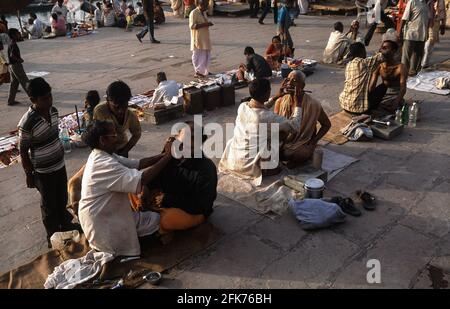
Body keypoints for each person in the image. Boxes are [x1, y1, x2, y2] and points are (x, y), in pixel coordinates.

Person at [78, 120, 172, 257]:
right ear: (103, 140)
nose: (119, 138)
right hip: (103, 223)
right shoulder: (104, 164)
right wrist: (169, 156)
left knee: (151, 218)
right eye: (114, 135)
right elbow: (142, 179)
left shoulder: (104, 154)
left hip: (108, 214)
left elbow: (138, 164)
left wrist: (163, 154)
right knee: (156, 220)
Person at [18, 78, 78, 248]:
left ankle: (66, 225)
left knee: (61, 198)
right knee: (49, 204)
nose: (49, 101)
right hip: (43, 171)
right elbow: (23, 150)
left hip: (59, 165)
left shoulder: (54, 111)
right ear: (33, 100)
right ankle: (52, 235)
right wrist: (29, 174)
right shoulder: (27, 123)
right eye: (44, 99)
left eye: (50, 96)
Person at [135, 121, 217, 235]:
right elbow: (156, 175)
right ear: (174, 138)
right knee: (132, 186)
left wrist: (167, 199)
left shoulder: (206, 169)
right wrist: (146, 188)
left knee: (167, 220)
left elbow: (202, 206)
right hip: (162, 200)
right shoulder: (170, 154)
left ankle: (160, 226)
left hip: (187, 209)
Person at [219, 78, 302, 185]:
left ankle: (266, 164)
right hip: (249, 166)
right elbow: (295, 126)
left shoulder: (243, 106)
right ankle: (267, 168)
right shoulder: (267, 117)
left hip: (234, 160)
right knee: (282, 132)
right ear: (266, 93)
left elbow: (259, 107)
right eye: (269, 90)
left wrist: (276, 97)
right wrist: (298, 104)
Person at [273, 70, 331, 168]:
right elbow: (273, 125)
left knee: (299, 154)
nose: (289, 83)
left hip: (300, 142)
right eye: (287, 80)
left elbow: (326, 125)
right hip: (283, 140)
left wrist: (313, 142)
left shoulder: (313, 104)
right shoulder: (280, 100)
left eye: (294, 81)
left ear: (302, 86)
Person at [93, 80, 141, 157]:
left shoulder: (131, 115)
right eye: (116, 107)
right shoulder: (100, 111)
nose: (121, 111)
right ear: (107, 101)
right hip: (104, 152)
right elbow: (96, 135)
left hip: (122, 148)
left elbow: (137, 133)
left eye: (124, 106)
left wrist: (125, 150)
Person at [339, 42, 385, 114]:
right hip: (357, 108)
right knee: (383, 87)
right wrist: (382, 49)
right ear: (362, 52)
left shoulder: (349, 64)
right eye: (364, 51)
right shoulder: (363, 63)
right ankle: (371, 110)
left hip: (344, 103)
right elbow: (382, 56)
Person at [368, 40, 407, 113]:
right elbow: (372, 86)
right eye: (381, 48)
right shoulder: (379, 65)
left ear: (393, 51)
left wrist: (396, 102)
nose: (381, 50)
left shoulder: (401, 67)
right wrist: (370, 97)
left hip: (395, 93)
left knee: (391, 107)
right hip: (383, 90)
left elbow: (403, 89)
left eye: (385, 48)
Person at [399, 0, 429, 76]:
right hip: (411, 33)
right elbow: (404, 18)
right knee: (406, 56)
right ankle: (403, 73)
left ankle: (412, 71)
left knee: (417, 54)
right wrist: (400, 32)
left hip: (422, 34)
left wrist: (427, 32)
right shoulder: (412, 2)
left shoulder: (426, 4)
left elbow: (426, 20)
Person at [189, 0, 213, 78]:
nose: (206, 8)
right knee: (197, 55)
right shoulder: (194, 13)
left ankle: (205, 71)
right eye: (205, 6)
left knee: (206, 55)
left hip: (205, 37)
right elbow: (192, 26)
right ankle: (198, 71)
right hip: (197, 38)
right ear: (200, 5)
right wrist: (205, 24)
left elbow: (205, 21)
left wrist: (208, 23)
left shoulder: (204, 12)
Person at [6, 28, 30, 106]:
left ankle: (11, 100)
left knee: (14, 83)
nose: (19, 34)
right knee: (25, 81)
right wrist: (19, 60)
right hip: (16, 65)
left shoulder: (11, 43)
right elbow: (12, 55)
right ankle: (34, 98)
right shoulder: (13, 44)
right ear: (13, 35)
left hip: (12, 66)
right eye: (17, 33)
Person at [422, 0, 446, 68]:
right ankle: (423, 61)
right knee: (425, 40)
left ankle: (425, 62)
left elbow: (443, 12)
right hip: (425, 21)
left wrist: (443, 25)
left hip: (435, 22)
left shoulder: (441, 1)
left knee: (431, 40)